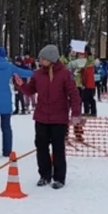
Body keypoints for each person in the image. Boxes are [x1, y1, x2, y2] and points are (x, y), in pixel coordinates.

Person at [14, 44, 82, 189]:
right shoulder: (38, 74)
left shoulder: (64, 74)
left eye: (42, 58)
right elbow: (30, 90)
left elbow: (74, 95)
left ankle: (59, 178)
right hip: (41, 117)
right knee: (41, 147)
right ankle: (44, 175)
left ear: (50, 59)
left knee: (58, 149)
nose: (40, 61)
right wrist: (21, 86)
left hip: (59, 118)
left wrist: (75, 113)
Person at [0, 47, 34, 158]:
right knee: (6, 127)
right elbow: (23, 72)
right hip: (5, 99)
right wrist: (37, 73)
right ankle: (7, 151)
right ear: (4, 55)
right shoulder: (9, 66)